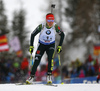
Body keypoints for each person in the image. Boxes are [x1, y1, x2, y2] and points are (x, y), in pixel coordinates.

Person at [26, 13, 65, 84]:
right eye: (49, 20)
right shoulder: (42, 26)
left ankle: (49, 77)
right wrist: (31, 46)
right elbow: (32, 34)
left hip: (51, 45)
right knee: (37, 61)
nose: (50, 22)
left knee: (50, 59)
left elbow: (62, 35)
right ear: (46, 20)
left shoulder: (55, 26)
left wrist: (60, 46)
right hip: (41, 45)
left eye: (52, 20)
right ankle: (31, 77)